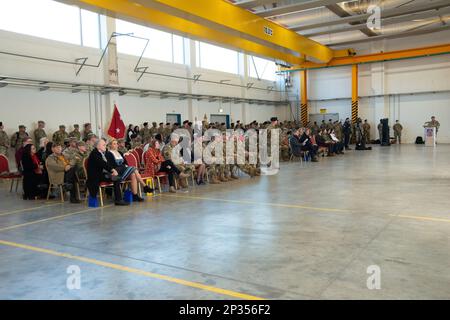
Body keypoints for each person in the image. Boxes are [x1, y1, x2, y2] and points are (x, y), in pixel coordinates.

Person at [86, 139, 128, 206]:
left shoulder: (100, 153)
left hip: (101, 174)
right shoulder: (94, 153)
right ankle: (118, 200)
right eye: (104, 145)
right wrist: (113, 170)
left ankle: (118, 199)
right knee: (116, 178)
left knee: (117, 177)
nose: (105, 146)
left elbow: (106, 164)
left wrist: (112, 170)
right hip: (95, 176)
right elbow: (103, 164)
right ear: (98, 146)